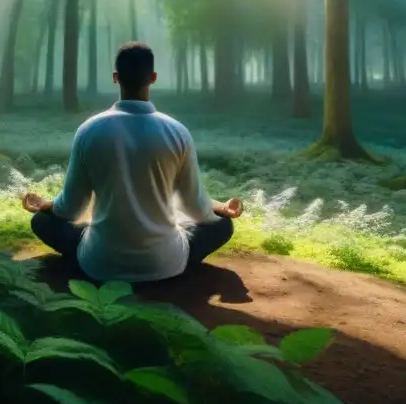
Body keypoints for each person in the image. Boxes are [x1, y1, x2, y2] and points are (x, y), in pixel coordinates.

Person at [21, 41, 243, 282]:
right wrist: (221, 208)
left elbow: (70, 209)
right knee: (222, 226)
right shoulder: (177, 132)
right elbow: (196, 207)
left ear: (116, 78)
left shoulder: (89, 131)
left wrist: (44, 204)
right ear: (153, 77)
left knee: (42, 221)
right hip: (166, 263)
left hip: (100, 262)